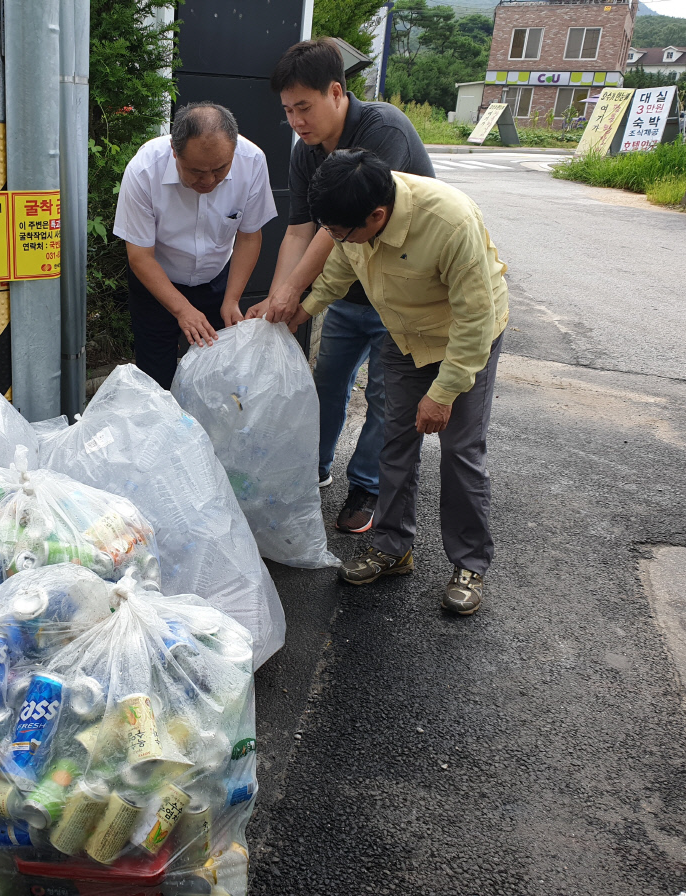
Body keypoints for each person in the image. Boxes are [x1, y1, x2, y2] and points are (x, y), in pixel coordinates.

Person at [288, 149, 509, 616]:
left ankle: (469, 565)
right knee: (396, 442)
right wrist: (300, 312)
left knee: (461, 451)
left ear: (379, 215)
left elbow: (476, 317)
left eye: (343, 231)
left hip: (464, 339)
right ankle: (392, 548)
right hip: (405, 336)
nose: (339, 238)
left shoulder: (449, 221)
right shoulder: (352, 220)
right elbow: (341, 269)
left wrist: (443, 393)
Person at [245, 39, 435, 534]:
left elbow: (339, 225)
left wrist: (292, 294)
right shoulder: (305, 152)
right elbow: (298, 229)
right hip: (347, 291)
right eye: (287, 111)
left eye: (303, 107)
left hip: (402, 292)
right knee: (327, 382)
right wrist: (277, 293)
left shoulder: (382, 129)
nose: (296, 121)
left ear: (336, 92)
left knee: (385, 396)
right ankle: (315, 469)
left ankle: (367, 486)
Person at [114, 102, 277, 390]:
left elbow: (249, 236)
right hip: (157, 283)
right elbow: (140, 256)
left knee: (217, 381)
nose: (209, 180)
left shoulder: (252, 161)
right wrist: (182, 310)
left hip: (218, 281)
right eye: (196, 171)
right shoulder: (143, 171)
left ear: (234, 150)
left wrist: (232, 299)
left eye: (219, 169)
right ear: (175, 152)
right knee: (155, 382)